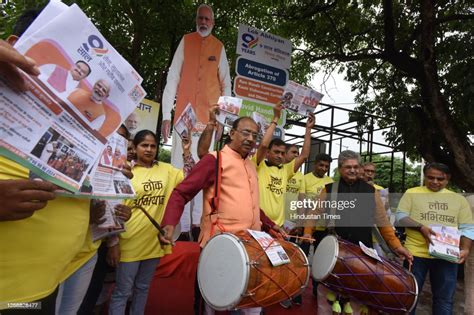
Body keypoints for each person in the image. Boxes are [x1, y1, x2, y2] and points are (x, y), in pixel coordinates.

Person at [161, 116, 285, 315]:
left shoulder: (251, 165)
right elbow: (181, 193)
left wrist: (270, 225)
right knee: (212, 304)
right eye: (245, 133)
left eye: (255, 135)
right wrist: (169, 223)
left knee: (249, 302)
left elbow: (253, 206)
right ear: (232, 133)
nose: (251, 138)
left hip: (251, 248)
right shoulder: (214, 160)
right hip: (219, 246)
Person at [161, 3, 231, 238]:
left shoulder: (219, 47)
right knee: (180, 170)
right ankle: (177, 227)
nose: (203, 22)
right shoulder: (185, 41)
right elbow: (172, 77)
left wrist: (221, 120)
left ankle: (198, 226)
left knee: (203, 171)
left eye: (207, 20)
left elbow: (226, 85)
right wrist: (165, 115)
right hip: (184, 118)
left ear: (213, 23)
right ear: (196, 20)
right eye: (200, 18)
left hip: (208, 124)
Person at [315, 150, 412, 314]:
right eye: (347, 167)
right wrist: (308, 233)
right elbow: (314, 214)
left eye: (355, 166)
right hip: (335, 252)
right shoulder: (329, 189)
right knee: (326, 299)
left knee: (357, 300)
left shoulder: (370, 191)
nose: (352, 170)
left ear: (360, 168)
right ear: (340, 169)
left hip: (363, 254)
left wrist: (396, 246)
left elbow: (383, 222)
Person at [108, 130, 193, 314]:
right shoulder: (125, 171)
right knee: (122, 292)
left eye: (153, 146)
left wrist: (186, 151)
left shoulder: (166, 170)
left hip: (153, 242)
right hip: (128, 241)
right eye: (144, 145)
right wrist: (113, 243)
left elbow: (191, 176)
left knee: (143, 288)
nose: (149, 149)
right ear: (135, 147)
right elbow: (113, 208)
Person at [396, 162, 473, 314]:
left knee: (444, 299)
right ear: (425, 176)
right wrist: (421, 227)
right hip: (415, 254)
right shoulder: (412, 193)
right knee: (409, 297)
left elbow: (468, 227)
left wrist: (465, 248)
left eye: (440, 179)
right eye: (430, 178)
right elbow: (400, 217)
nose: (435, 182)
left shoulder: (458, 200)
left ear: (448, 179)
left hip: (447, 255)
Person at [254, 103, 314, 228]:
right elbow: (264, 145)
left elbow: (303, 156)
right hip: (258, 224)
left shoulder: (285, 170)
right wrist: (275, 118)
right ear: (267, 153)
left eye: (282, 153)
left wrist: (308, 130)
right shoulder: (258, 165)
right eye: (276, 152)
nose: (280, 156)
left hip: (278, 227)